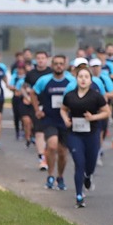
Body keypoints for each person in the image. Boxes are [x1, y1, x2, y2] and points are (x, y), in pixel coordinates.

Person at [60, 66, 110, 208]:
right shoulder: (69, 95)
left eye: (86, 77)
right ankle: (79, 195)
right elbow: (63, 109)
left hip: (91, 134)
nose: (83, 79)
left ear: (90, 80)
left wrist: (93, 117)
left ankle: (88, 176)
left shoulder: (96, 96)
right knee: (79, 163)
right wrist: (65, 119)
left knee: (90, 165)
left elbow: (106, 112)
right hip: (74, 134)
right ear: (76, 79)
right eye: (80, 76)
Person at [32, 55, 78, 190]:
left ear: (64, 65)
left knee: (63, 152)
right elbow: (33, 93)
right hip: (49, 119)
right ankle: (50, 175)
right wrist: (37, 110)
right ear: (52, 65)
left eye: (61, 64)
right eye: (56, 64)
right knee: (52, 146)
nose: (58, 66)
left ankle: (60, 176)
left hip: (65, 121)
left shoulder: (70, 80)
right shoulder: (44, 80)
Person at [24, 50, 53, 170]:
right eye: (38, 58)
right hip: (36, 106)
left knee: (50, 133)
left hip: (51, 106)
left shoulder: (52, 73)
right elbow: (25, 87)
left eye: (43, 58)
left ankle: (48, 154)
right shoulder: (31, 74)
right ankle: (42, 158)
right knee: (39, 131)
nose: (40, 60)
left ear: (47, 59)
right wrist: (27, 97)